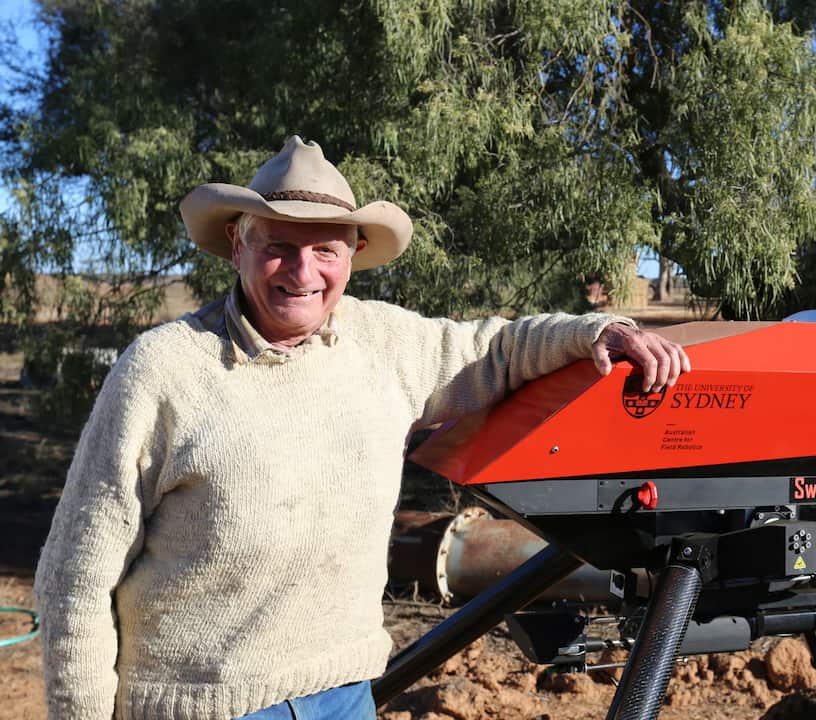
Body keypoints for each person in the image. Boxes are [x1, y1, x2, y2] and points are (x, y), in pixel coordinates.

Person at [33, 136, 690, 719]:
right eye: (278, 246)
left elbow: (499, 349)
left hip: (344, 694)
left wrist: (601, 331)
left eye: (326, 249)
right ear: (237, 243)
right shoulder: (164, 369)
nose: (303, 271)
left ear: (354, 253)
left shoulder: (382, 342)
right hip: (205, 706)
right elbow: (76, 575)